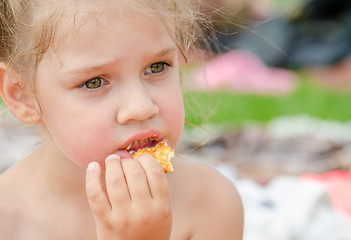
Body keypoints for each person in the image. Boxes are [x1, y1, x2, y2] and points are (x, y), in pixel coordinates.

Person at [0, 0, 244, 239]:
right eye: (94, 82)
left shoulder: (210, 202)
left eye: (157, 67)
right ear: (22, 96)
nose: (141, 107)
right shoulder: (7, 219)